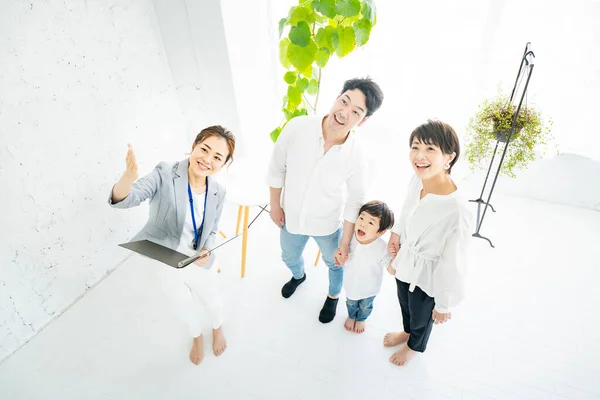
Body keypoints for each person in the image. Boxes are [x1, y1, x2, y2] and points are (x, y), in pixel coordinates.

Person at [108, 125, 235, 365]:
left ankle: (217, 326)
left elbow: (212, 229)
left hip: (197, 258)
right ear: (193, 146)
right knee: (181, 302)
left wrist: (207, 250)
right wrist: (128, 178)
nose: (208, 159)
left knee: (212, 296)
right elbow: (126, 199)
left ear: (223, 163)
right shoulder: (165, 172)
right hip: (164, 256)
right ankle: (197, 336)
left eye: (217, 157)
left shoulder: (218, 191)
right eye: (204, 149)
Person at [267, 77, 384, 323]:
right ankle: (298, 276)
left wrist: (344, 241)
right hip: (292, 218)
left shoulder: (357, 155)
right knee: (288, 255)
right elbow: (277, 167)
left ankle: (332, 296)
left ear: (364, 121)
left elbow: (355, 200)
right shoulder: (297, 127)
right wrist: (275, 205)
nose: (343, 113)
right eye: (344, 101)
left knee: (336, 264)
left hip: (327, 224)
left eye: (356, 112)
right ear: (337, 96)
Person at [384, 120, 473, 366]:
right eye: (415, 147)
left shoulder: (457, 209)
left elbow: (454, 262)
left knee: (422, 316)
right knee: (404, 302)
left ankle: (415, 345)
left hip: (429, 277)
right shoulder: (417, 180)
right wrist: (396, 233)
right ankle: (407, 331)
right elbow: (406, 208)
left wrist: (444, 303)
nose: (419, 156)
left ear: (449, 157)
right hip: (406, 260)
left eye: (430, 149)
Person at [339, 200, 395, 334]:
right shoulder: (350, 237)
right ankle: (352, 316)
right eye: (361, 217)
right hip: (351, 284)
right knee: (351, 303)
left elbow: (392, 270)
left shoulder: (381, 247)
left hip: (370, 288)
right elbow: (341, 252)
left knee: (365, 306)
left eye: (371, 222)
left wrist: (395, 258)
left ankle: (361, 318)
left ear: (381, 232)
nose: (363, 224)